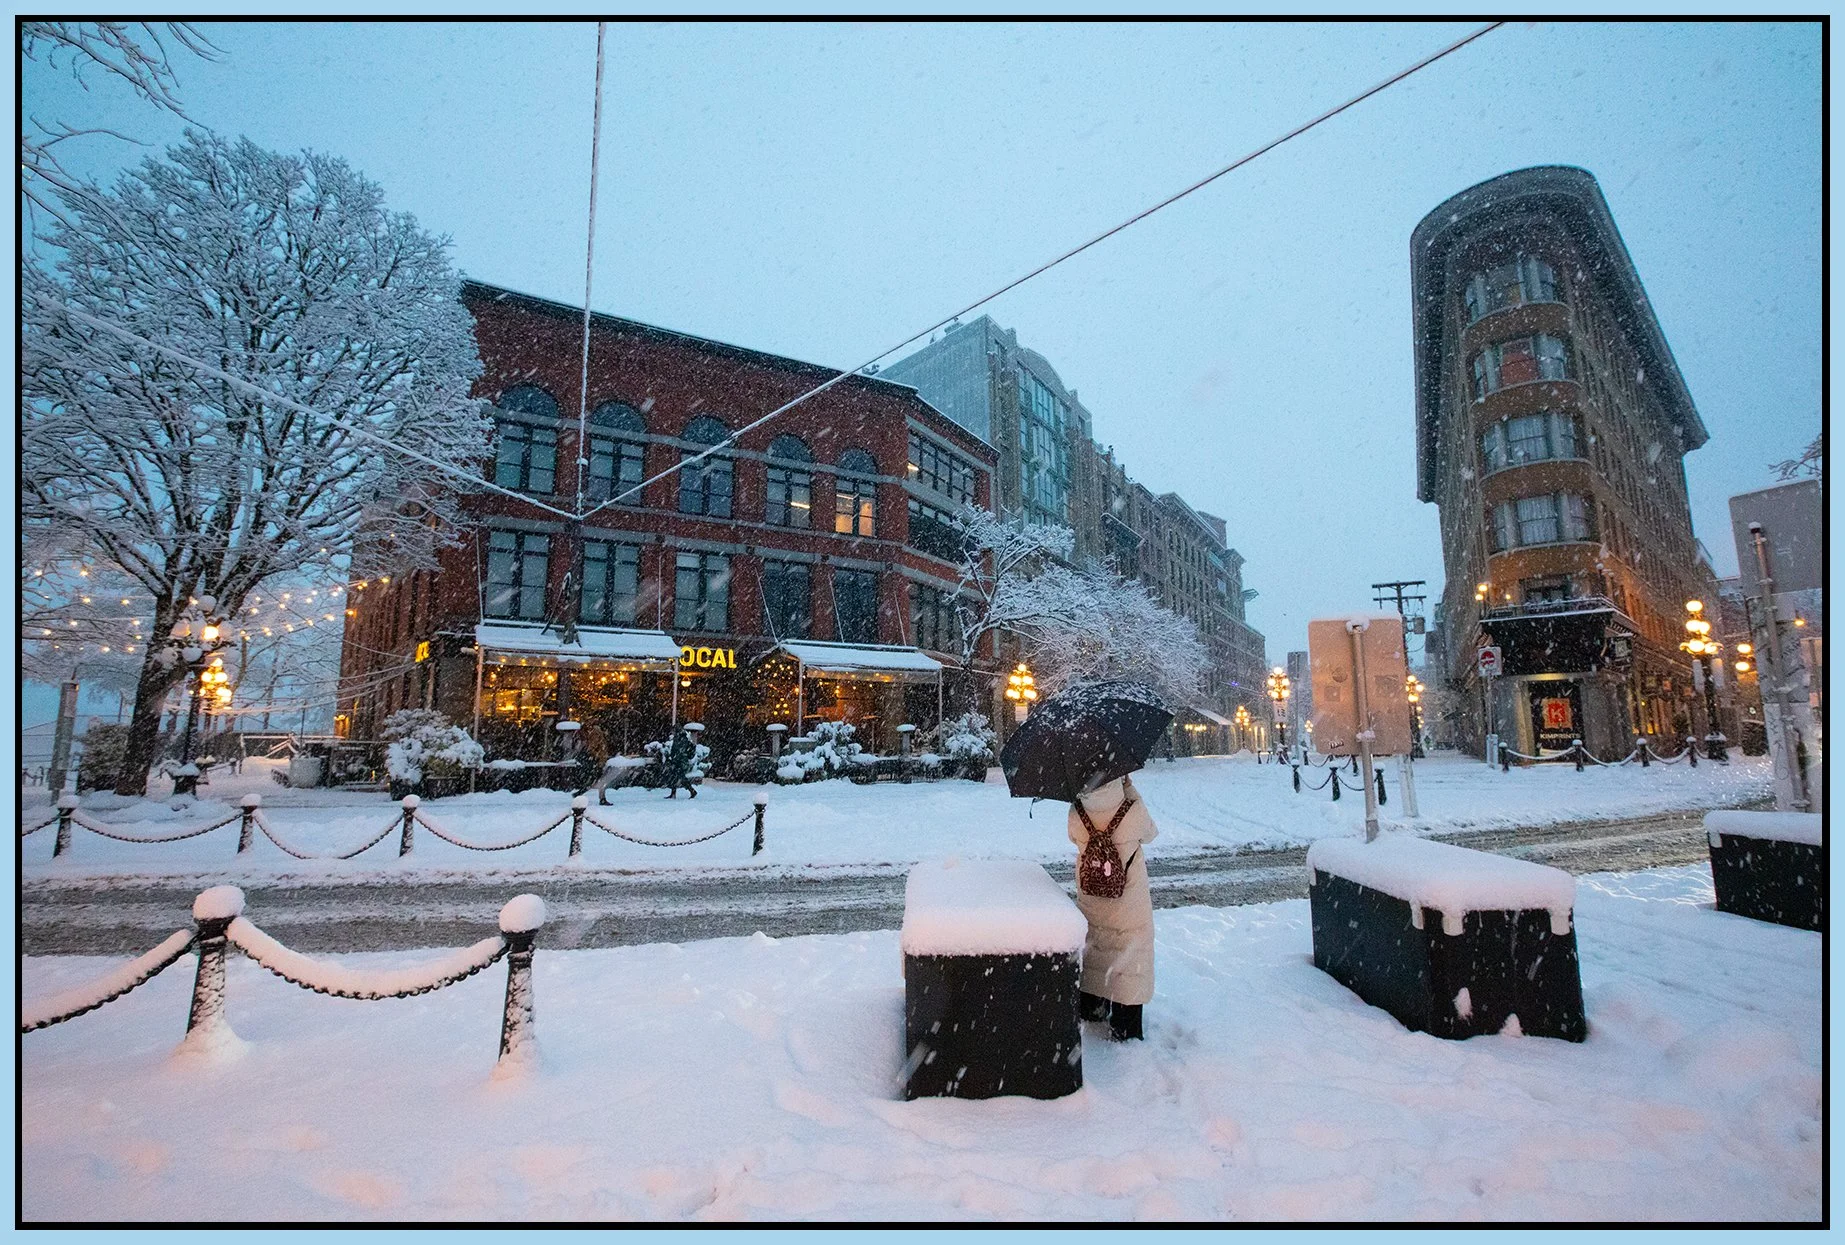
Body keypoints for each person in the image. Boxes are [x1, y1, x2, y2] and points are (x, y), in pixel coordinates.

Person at [1067, 772, 1158, 1040]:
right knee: (1130, 953)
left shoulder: (1076, 812)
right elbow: (1151, 833)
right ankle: (1125, 1024)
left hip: (1092, 895)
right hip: (1128, 901)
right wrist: (1129, 789)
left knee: (1096, 945)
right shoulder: (1133, 811)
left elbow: (1073, 837)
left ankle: (1093, 1007)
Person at [661, 722, 703, 800]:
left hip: (681, 762)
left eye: (673, 730)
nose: (672, 732)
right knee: (674, 777)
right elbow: (675, 750)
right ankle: (674, 794)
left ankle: (692, 791)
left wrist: (675, 759)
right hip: (677, 761)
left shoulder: (681, 739)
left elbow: (680, 751)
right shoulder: (678, 738)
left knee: (681, 778)